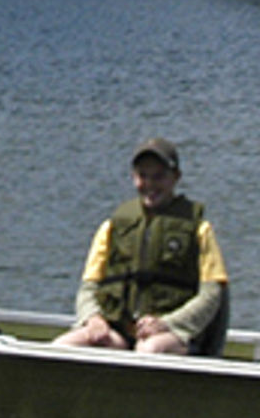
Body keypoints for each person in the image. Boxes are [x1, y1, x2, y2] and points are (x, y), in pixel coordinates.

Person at [54, 138, 230, 355]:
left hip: (173, 335)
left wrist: (168, 323)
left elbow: (211, 295)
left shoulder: (199, 229)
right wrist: (93, 318)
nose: (150, 184)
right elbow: (89, 287)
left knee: (149, 350)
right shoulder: (112, 226)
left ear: (176, 178)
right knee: (63, 347)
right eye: (142, 176)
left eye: (159, 177)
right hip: (118, 330)